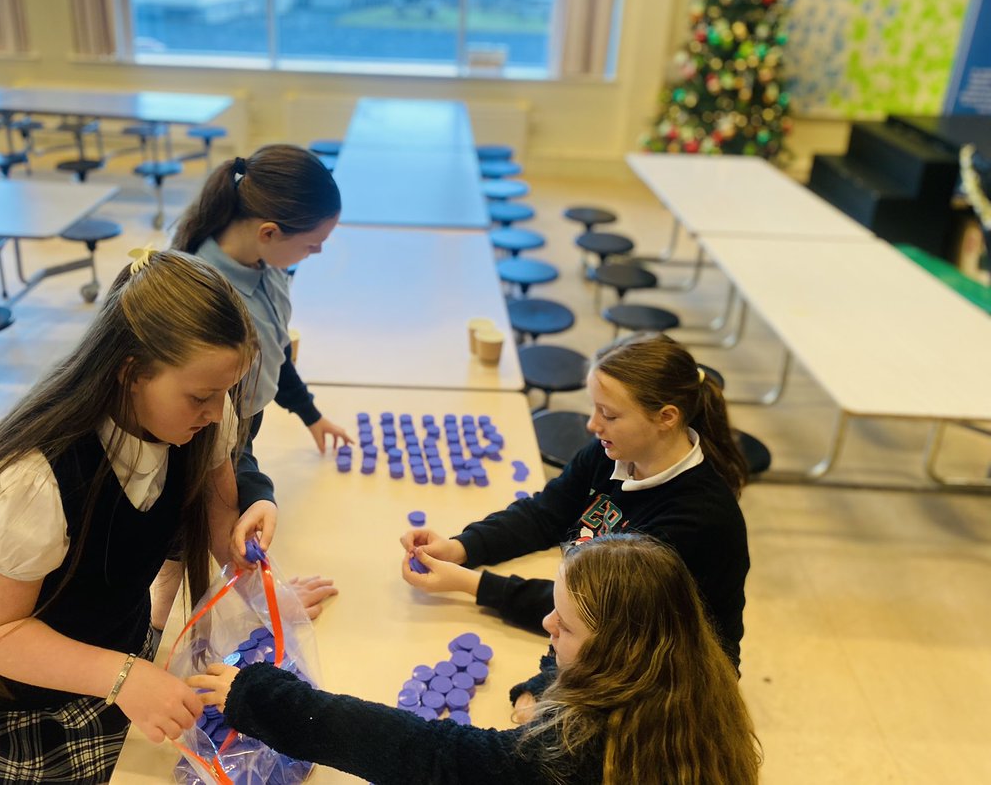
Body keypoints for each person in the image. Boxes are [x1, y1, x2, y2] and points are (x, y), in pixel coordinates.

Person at [0, 249, 267, 785]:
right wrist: (125, 676)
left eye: (225, 393)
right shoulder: (34, 480)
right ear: (130, 373)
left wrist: (256, 575)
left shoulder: (199, 415)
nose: (216, 413)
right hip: (3, 663)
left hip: (92, 624)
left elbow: (217, 501)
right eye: (201, 397)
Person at [189, 534, 762, 785]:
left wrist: (257, 697)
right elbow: (563, 647)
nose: (547, 624)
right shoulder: (681, 675)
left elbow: (426, 756)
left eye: (565, 624)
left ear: (615, 653)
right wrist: (545, 681)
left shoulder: (578, 756)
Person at [400, 332, 750, 693]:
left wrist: (469, 584)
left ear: (666, 417)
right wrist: (463, 548)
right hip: (604, 631)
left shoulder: (697, 521)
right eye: (594, 408)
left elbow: (597, 615)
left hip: (675, 675)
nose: (593, 425)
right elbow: (545, 513)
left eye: (609, 414)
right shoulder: (613, 450)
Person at [171, 144, 349, 614]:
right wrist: (268, 597)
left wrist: (310, 414)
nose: (319, 251)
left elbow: (275, 351)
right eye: (312, 244)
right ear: (269, 232)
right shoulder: (212, 304)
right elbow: (219, 453)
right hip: (209, 447)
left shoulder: (268, 264)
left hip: (237, 428)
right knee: (188, 538)